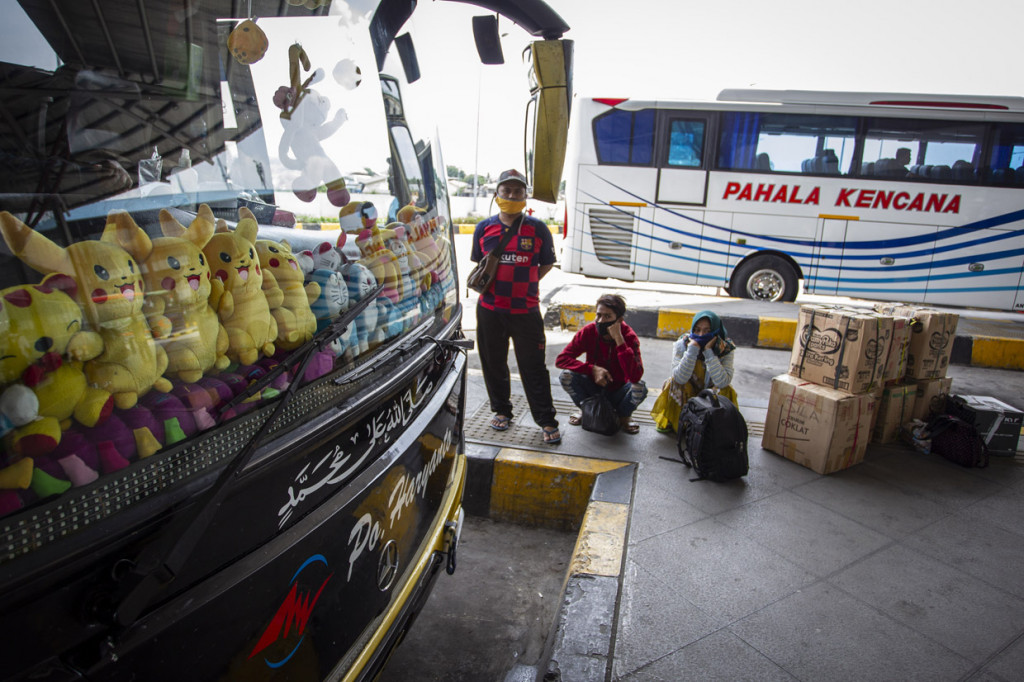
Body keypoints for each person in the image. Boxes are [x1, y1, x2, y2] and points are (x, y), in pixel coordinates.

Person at [471, 169, 561, 445]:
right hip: (490, 310)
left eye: (517, 191)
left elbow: (546, 262)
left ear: (525, 195)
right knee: (493, 364)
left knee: (533, 367)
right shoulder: (484, 228)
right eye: (506, 191)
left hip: (526, 312)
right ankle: (502, 410)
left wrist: (527, 282)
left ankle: (546, 420)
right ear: (497, 194)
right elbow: (479, 262)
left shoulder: (537, 228)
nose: (511, 196)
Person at [556, 294, 648, 434]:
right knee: (566, 376)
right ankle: (586, 409)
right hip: (592, 389)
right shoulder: (589, 331)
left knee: (640, 387)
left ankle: (624, 416)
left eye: (607, 317)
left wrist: (619, 340)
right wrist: (592, 369)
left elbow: (635, 376)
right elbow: (562, 359)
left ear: (619, 320)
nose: (600, 320)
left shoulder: (628, 336)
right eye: (598, 315)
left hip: (618, 392)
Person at [650, 310, 737, 433]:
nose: (701, 335)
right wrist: (692, 350)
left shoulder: (725, 348)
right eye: (697, 330)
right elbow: (679, 378)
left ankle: (712, 427)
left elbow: (723, 382)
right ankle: (681, 424)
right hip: (688, 391)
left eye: (707, 331)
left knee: (726, 390)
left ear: (716, 332)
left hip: (710, 394)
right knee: (673, 382)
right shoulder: (683, 344)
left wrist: (708, 352)